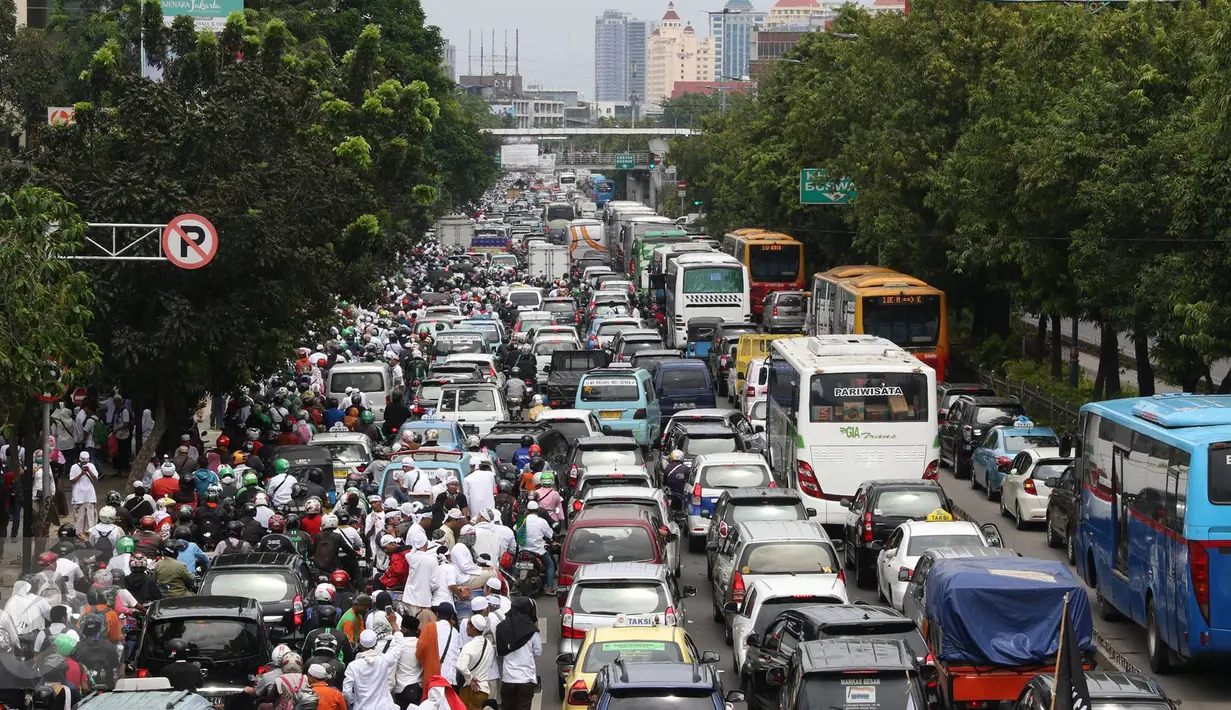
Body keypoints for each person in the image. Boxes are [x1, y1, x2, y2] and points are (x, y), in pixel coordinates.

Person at [496, 597, 541, 710]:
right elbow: (538, 651)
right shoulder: (531, 630)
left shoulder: (501, 628)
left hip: (508, 679)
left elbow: (499, 651)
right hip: (526, 679)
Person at [343, 628, 402, 710]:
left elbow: (346, 691)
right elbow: (399, 647)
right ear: (376, 644)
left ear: (359, 644)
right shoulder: (383, 660)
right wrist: (396, 628)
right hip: (384, 707)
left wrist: (355, 701)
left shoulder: (353, 666)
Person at [456, 615, 494, 710]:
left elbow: (461, 666)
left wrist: (470, 678)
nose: (466, 627)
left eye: (468, 625)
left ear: (473, 628)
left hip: (470, 689)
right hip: (483, 689)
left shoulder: (469, 646)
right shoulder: (488, 644)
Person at [520, 500, 555, 592]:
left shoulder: (522, 520)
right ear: (537, 510)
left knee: (516, 565)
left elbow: (517, 532)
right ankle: (550, 588)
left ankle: (514, 586)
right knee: (550, 565)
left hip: (523, 550)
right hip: (538, 550)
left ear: (527, 510)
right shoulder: (541, 521)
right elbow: (550, 534)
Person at [392, 616, 423, 709]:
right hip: (419, 688)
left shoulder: (398, 644)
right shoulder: (420, 643)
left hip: (401, 689)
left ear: (404, 629)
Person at [68, 451, 99, 532]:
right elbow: (72, 481)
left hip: (90, 496)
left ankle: (89, 533)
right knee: (78, 518)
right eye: (83, 461)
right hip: (78, 497)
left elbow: (95, 479)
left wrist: (89, 471)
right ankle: (78, 534)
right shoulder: (74, 467)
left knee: (90, 518)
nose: (85, 463)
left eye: (86, 461)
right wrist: (81, 474)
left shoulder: (91, 466)